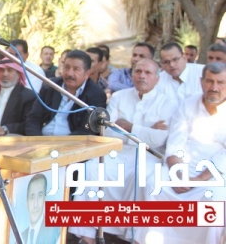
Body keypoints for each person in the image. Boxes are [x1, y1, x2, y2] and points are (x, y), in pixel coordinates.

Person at [69, 59, 178, 243]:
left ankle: (132, 236)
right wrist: (147, 129)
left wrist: (130, 126)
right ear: (132, 74)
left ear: (157, 79)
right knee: (91, 168)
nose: (142, 76)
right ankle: (87, 236)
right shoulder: (119, 97)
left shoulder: (168, 102)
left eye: (148, 73)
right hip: (117, 152)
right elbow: (108, 131)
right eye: (138, 71)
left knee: (142, 177)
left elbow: (159, 139)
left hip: (149, 155)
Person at [136, 62, 226, 244]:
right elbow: (175, 141)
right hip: (181, 166)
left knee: (215, 199)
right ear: (201, 82)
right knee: (154, 184)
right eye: (209, 81)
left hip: (215, 173)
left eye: (220, 82)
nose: (214, 87)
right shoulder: (188, 104)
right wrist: (179, 173)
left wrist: (199, 179)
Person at [25, 50, 107, 136]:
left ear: (87, 74)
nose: (69, 73)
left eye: (76, 69)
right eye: (66, 67)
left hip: (73, 142)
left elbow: (87, 130)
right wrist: (37, 140)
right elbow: (33, 118)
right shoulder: (50, 86)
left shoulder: (96, 94)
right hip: (41, 139)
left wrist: (63, 144)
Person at [20, 174, 60, 244]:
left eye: (40, 196)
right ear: (27, 203)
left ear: (45, 199)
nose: (35, 204)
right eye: (32, 197)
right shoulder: (21, 236)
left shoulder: (54, 232)